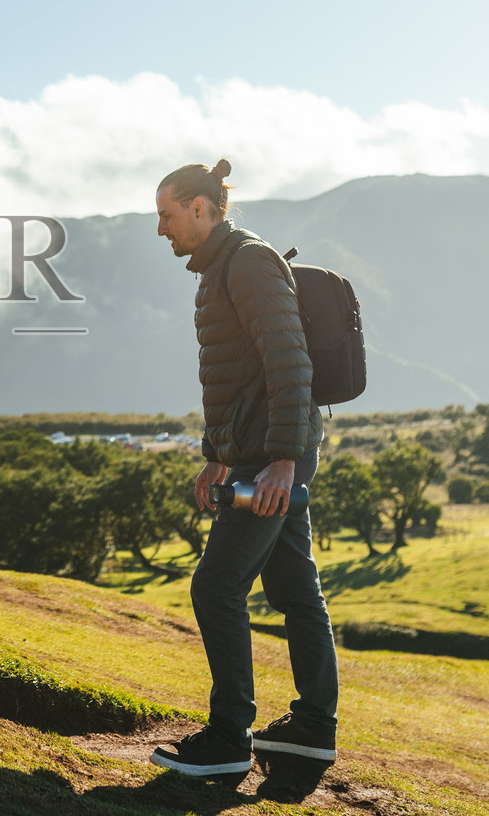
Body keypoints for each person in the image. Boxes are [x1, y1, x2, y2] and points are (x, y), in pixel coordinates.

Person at [148, 157, 339, 779]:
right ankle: (312, 729)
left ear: (199, 208)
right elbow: (235, 378)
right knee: (294, 590)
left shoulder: (249, 262)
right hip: (256, 452)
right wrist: (217, 455)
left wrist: (282, 459)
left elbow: (289, 361)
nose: (161, 229)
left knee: (217, 586)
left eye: (167, 216)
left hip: (273, 454)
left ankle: (229, 740)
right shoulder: (219, 269)